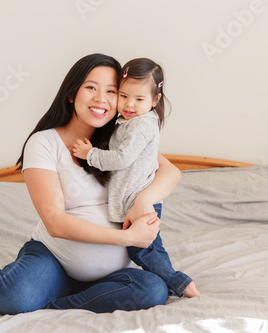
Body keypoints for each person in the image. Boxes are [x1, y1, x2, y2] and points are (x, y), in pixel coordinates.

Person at [0, 53, 183, 315]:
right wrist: (126, 238)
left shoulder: (123, 137)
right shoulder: (44, 143)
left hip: (110, 275)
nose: (102, 99)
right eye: (91, 88)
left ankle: (49, 302)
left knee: (152, 290)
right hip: (54, 259)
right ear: (72, 93)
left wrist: (144, 200)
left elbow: (171, 172)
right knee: (14, 295)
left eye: (112, 91)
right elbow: (54, 221)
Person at [72, 58, 200, 298]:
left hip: (137, 202)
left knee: (141, 250)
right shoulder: (126, 122)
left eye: (139, 99)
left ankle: (179, 282)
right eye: (123, 96)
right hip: (131, 200)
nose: (129, 104)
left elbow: (121, 159)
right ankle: (176, 280)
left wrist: (90, 154)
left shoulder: (141, 125)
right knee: (151, 248)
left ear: (155, 100)